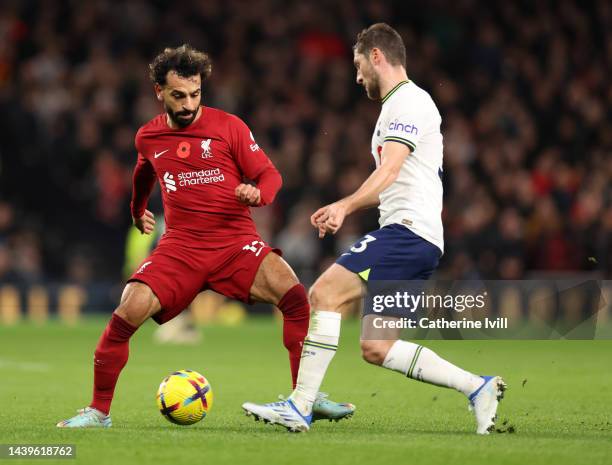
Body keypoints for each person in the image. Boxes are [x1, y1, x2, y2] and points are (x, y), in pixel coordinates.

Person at [57, 44, 354, 428]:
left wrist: (259, 194)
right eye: (178, 95)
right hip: (180, 248)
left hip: (234, 242)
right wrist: (136, 209)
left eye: (195, 94)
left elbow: (270, 176)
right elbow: (143, 173)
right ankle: (99, 412)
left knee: (296, 298)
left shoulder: (229, 126)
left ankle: (305, 397)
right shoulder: (147, 137)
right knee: (125, 313)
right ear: (159, 92)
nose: (187, 104)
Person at [242, 24, 506, 435]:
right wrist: (346, 205)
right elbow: (391, 175)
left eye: (358, 64)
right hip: (417, 237)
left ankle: (300, 405)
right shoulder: (398, 107)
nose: (356, 75)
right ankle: (478, 387)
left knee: (324, 293)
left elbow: (391, 168)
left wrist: (344, 206)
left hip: (407, 232)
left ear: (376, 56)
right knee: (377, 347)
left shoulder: (409, 102)